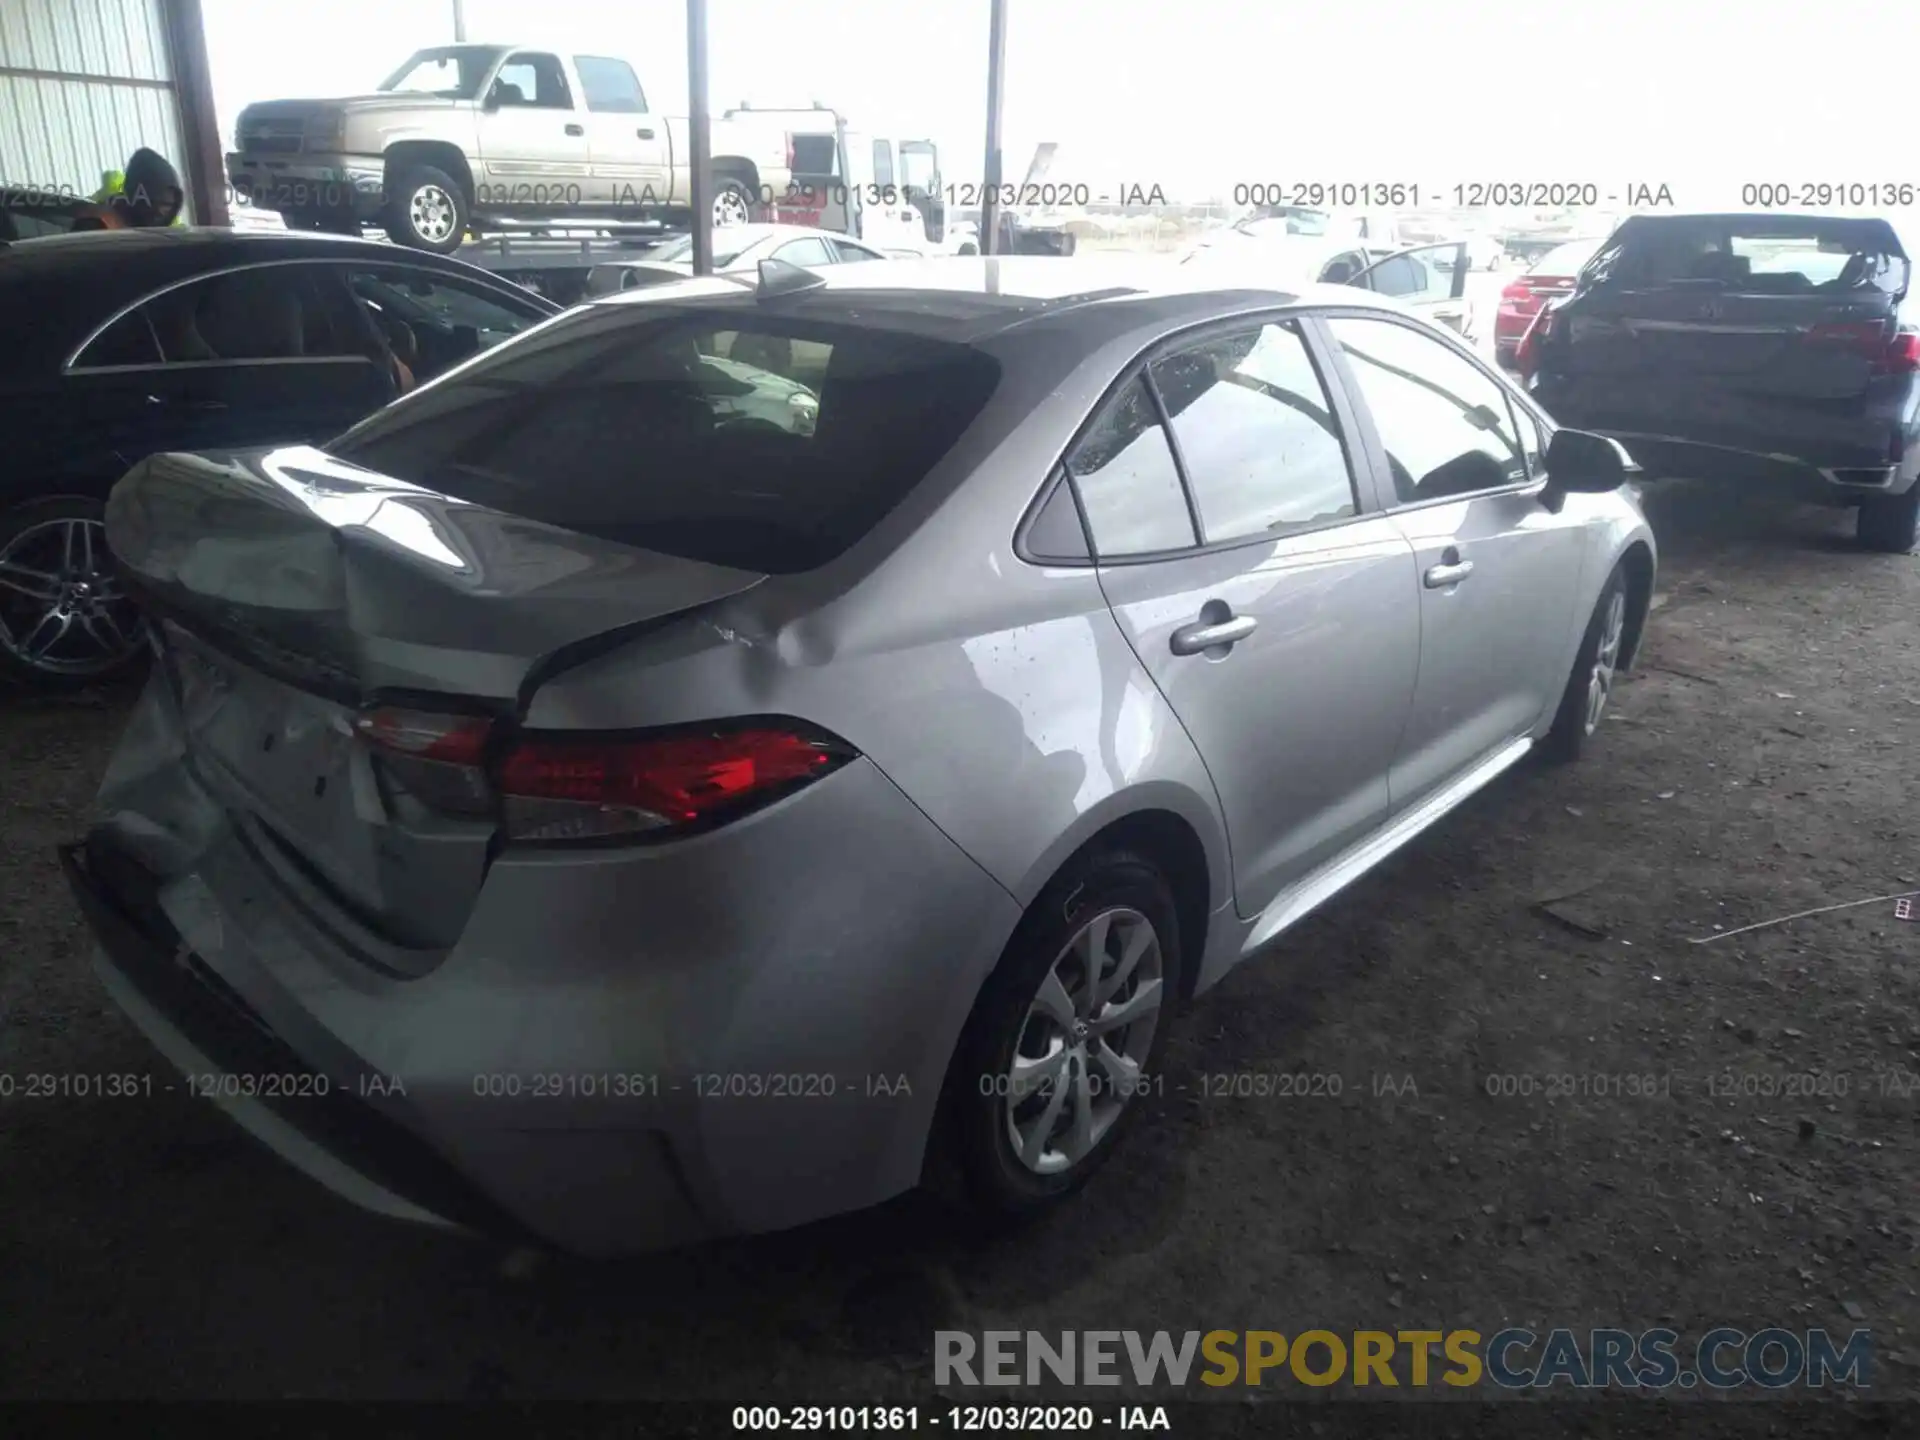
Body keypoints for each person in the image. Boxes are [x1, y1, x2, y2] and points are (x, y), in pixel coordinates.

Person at [74, 148, 185, 231]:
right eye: (156, 201)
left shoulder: (163, 233)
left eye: (168, 205)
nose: (161, 211)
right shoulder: (98, 223)